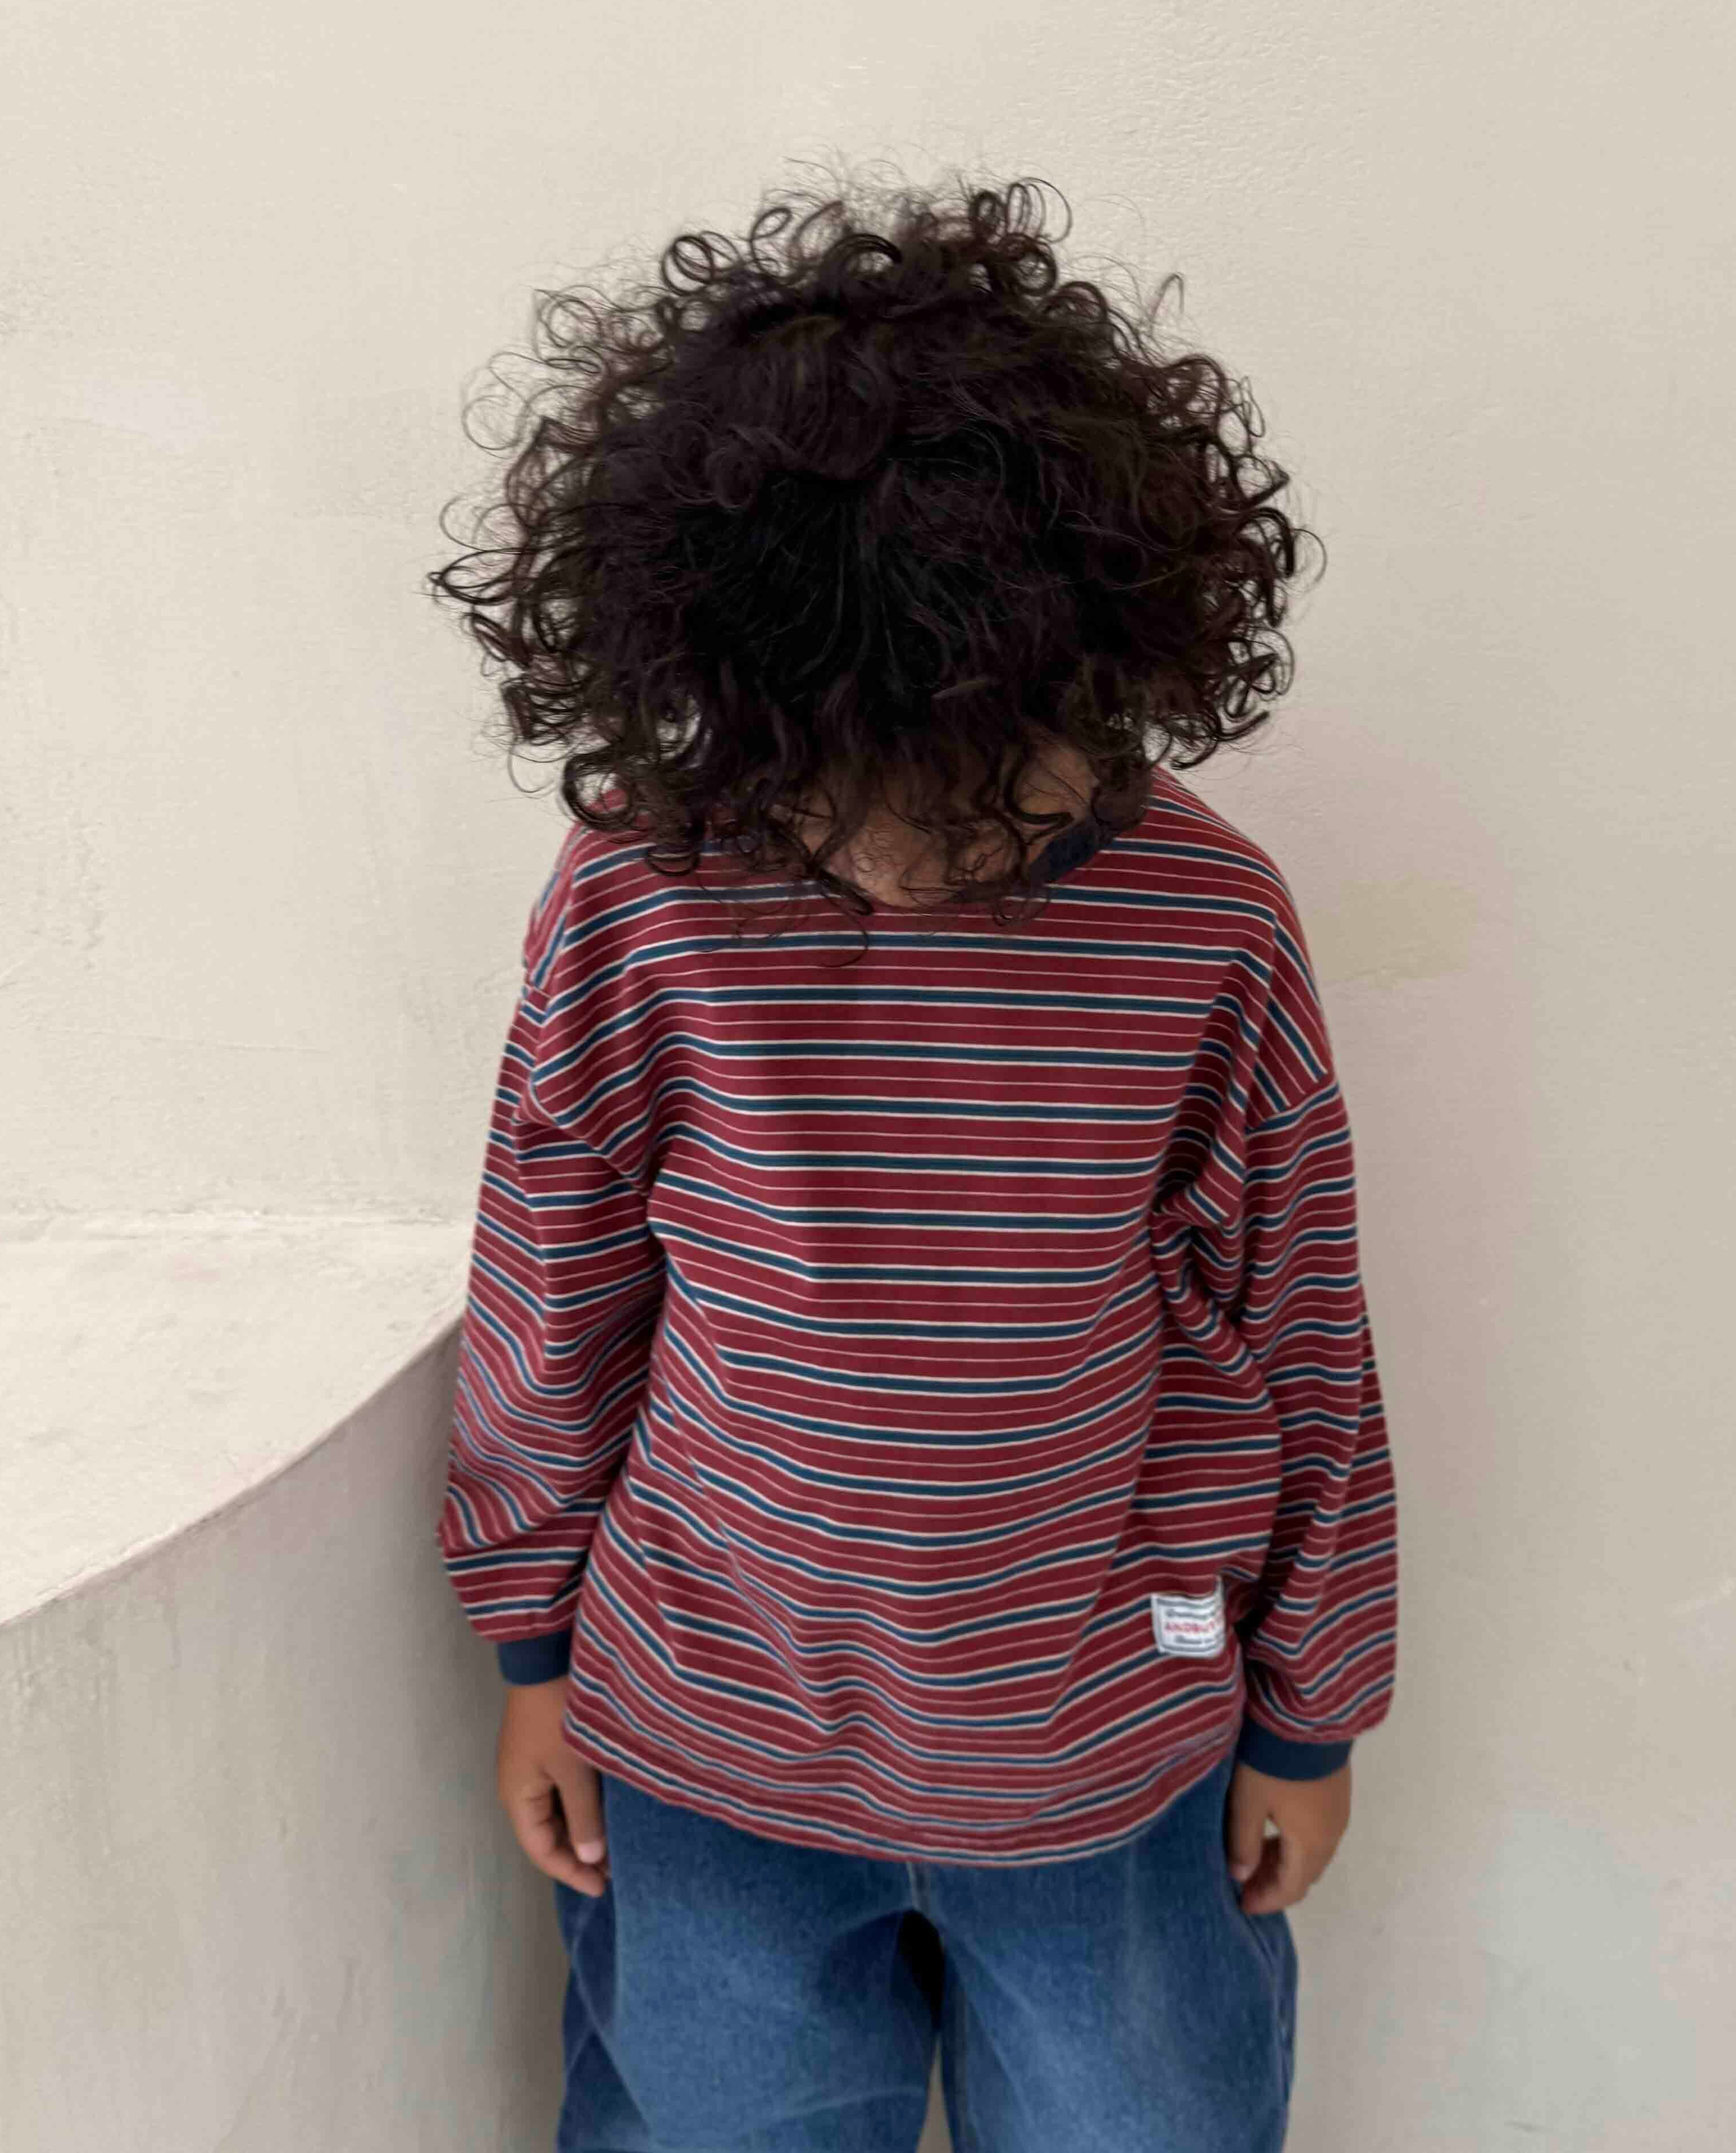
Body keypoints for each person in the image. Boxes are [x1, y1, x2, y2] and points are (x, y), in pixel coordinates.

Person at [426, 172, 1398, 2152]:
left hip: (1108, 1749)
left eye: (983, 777)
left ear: (1088, 670)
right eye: (843, 774)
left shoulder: (1207, 922)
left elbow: (1297, 1321)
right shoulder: (640, 892)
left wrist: (1312, 1709)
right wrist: (533, 1654)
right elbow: (553, 1285)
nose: (905, 853)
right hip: (703, 1735)